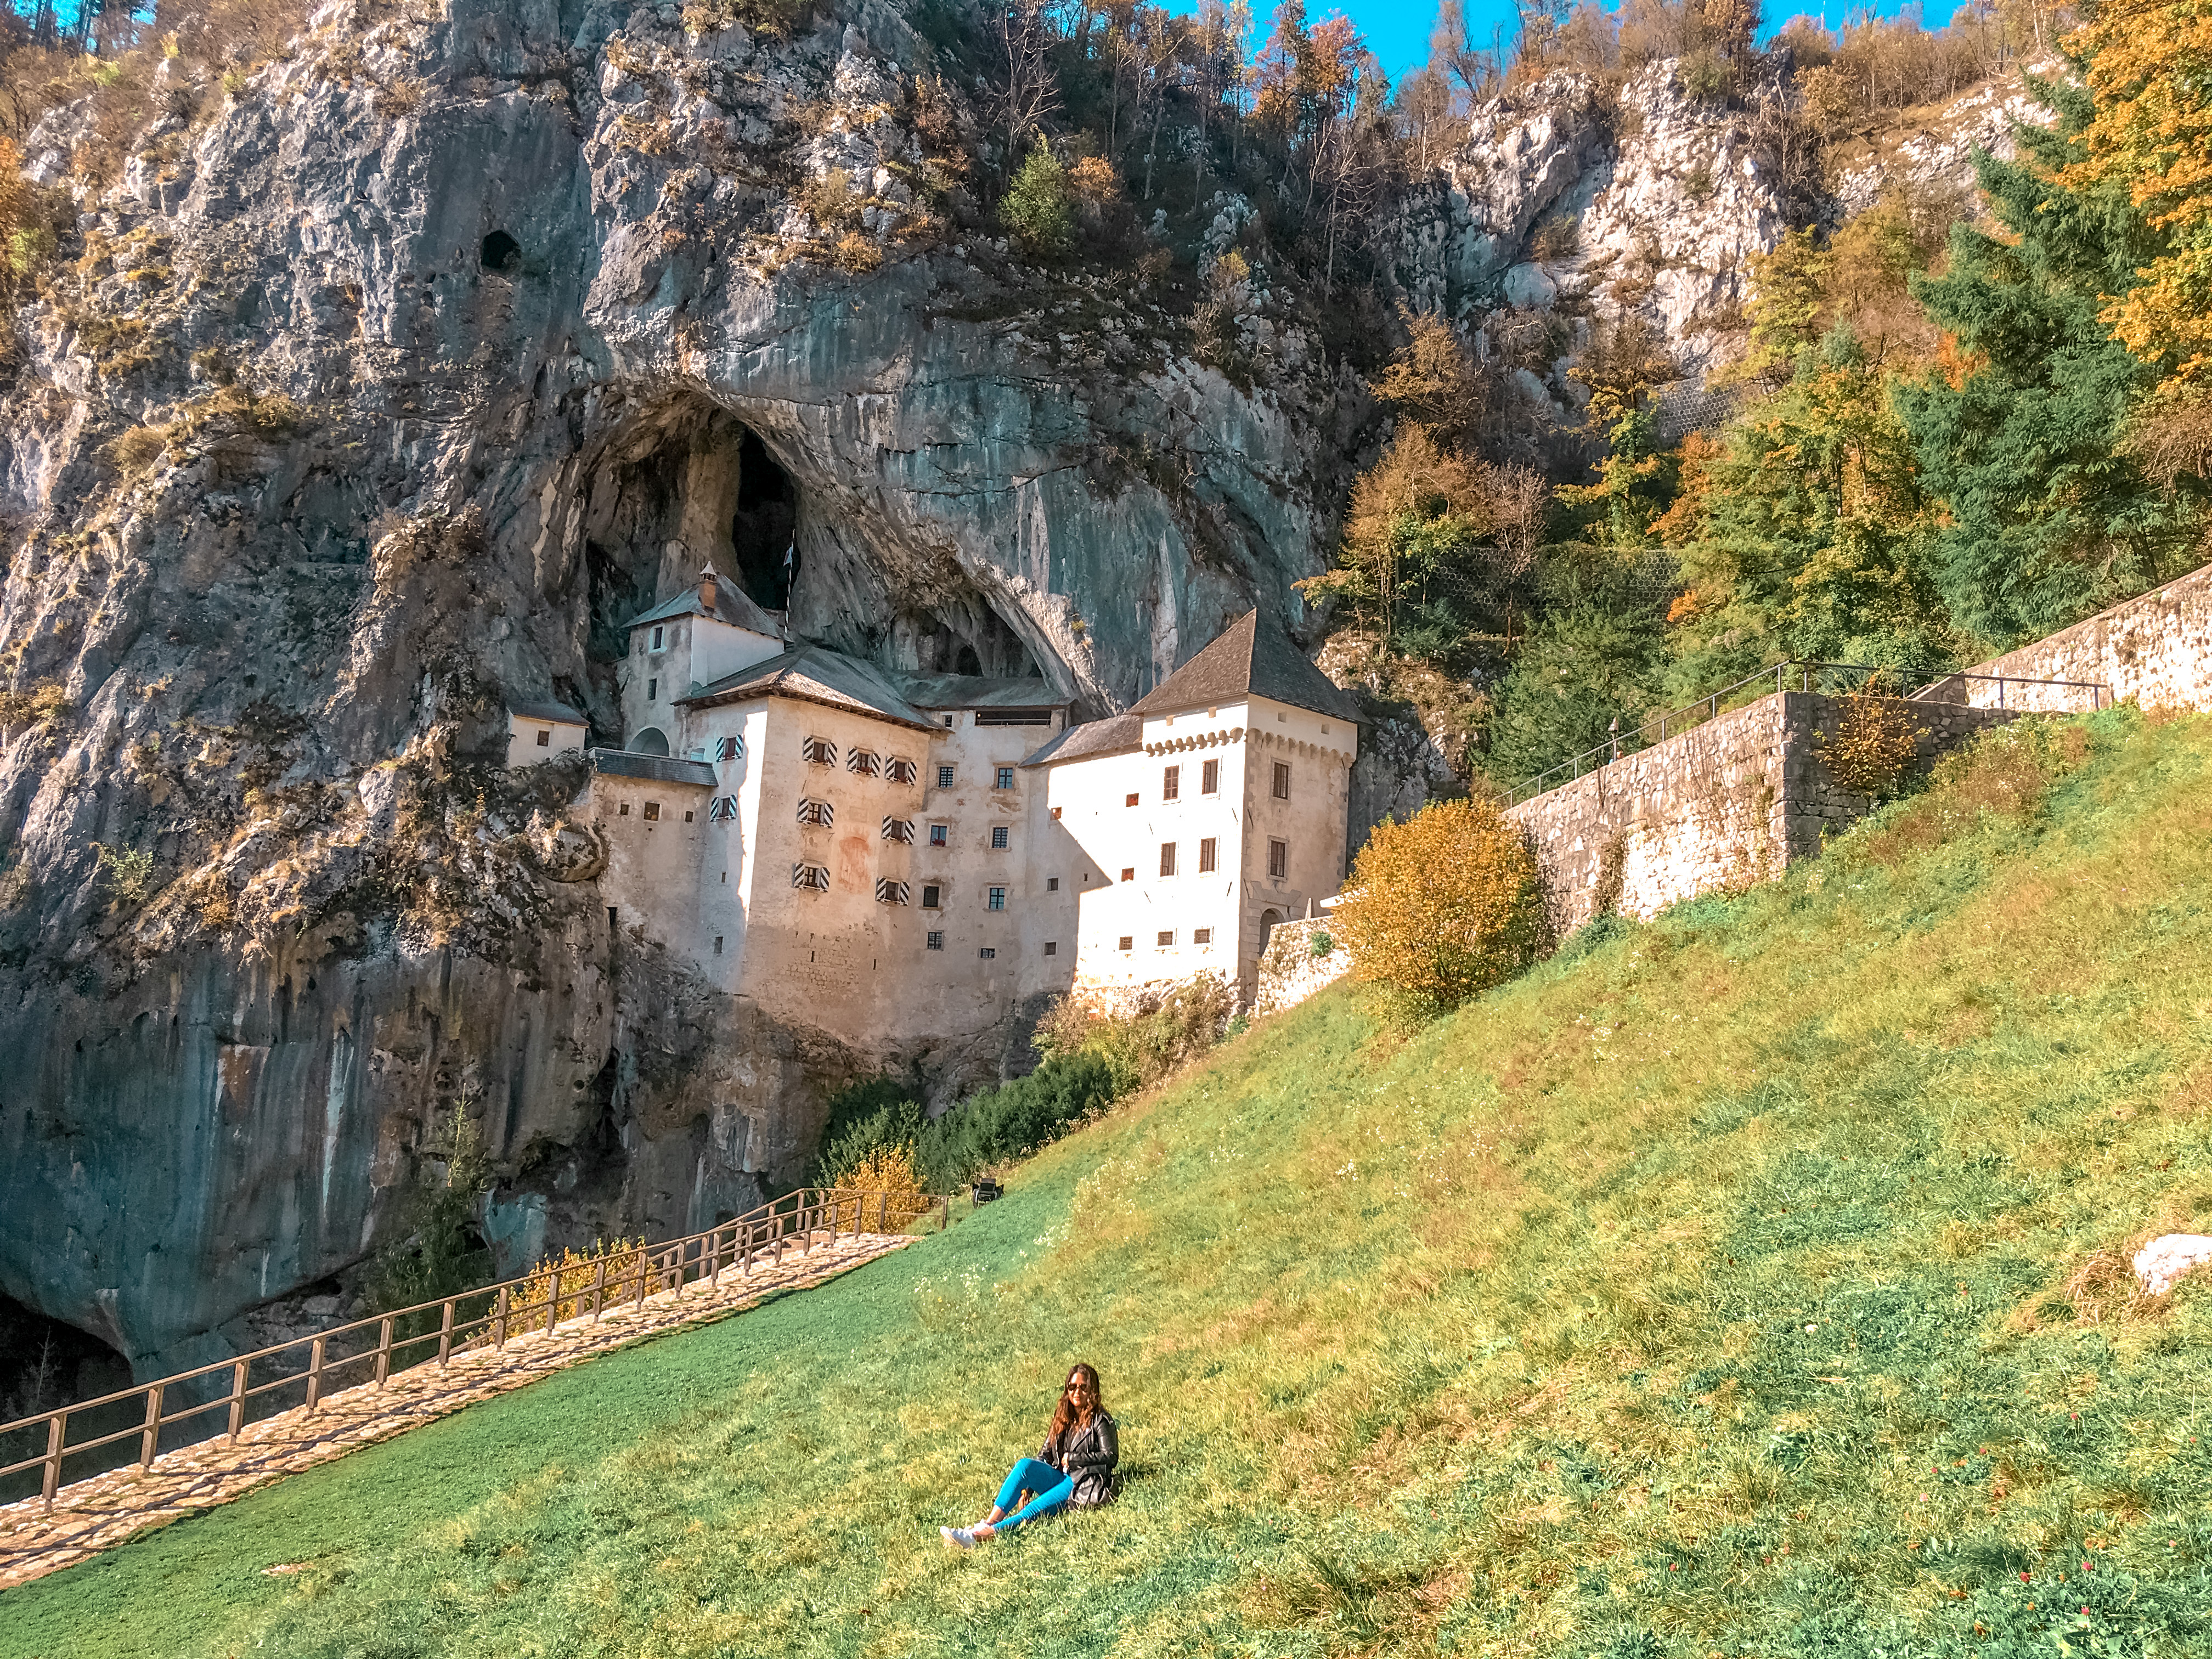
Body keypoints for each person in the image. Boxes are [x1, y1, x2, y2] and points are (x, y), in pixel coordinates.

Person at [941, 1362, 1118, 1548]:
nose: (1077, 1392)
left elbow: (1111, 1457)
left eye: (1083, 1387)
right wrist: (1027, 1489)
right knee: (1025, 1465)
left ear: (1092, 1390)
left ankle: (982, 1536)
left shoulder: (1101, 1420)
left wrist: (1075, 1459)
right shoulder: (1064, 1416)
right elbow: (1044, 1454)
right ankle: (988, 1523)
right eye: (1072, 1387)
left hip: (1080, 1483)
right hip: (1059, 1475)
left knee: (1035, 1508)